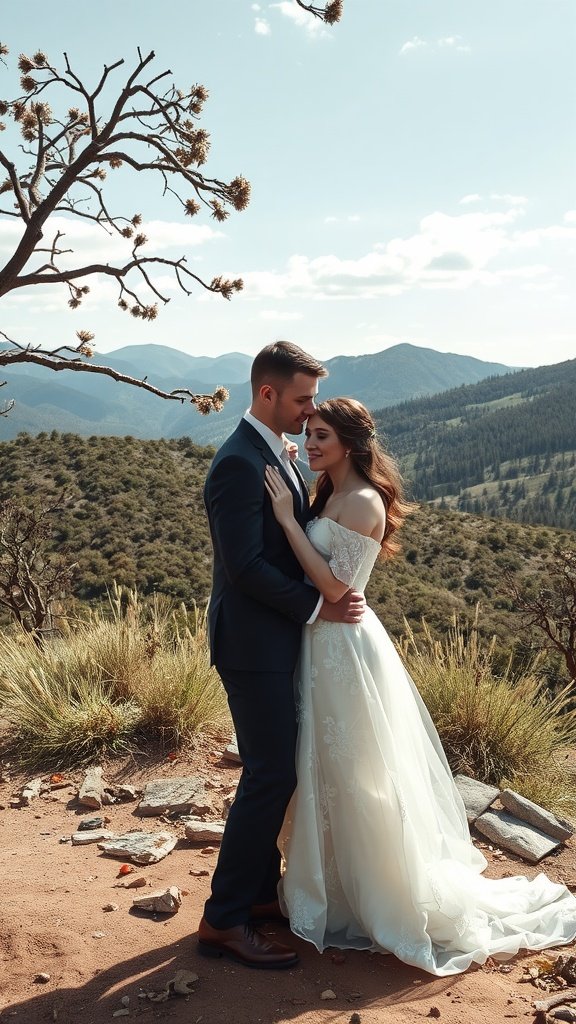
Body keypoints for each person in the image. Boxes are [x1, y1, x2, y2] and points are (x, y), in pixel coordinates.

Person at [263, 396, 576, 977]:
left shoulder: (362, 502)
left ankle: (382, 896)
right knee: (326, 768)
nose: (310, 445)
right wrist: (290, 469)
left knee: (359, 771)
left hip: (344, 648)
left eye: (321, 436)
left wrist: (286, 519)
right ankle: (333, 887)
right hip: (318, 645)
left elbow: (336, 588)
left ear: (351, 444)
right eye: (307, 434)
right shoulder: (329, 490)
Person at [198, 342, 365, 970]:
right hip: (252, 644)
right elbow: (244, 567)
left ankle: (261, 896)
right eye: (301, 399)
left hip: (277, 640)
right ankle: (224, 918)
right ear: (266, 394)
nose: (310, 410)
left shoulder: (275, 452)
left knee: (279, 768)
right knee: (269, 774)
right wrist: (318, 607)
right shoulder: (237, 463)